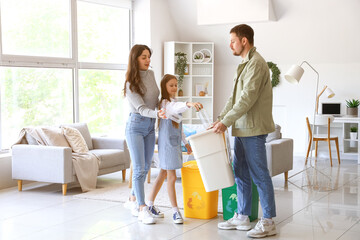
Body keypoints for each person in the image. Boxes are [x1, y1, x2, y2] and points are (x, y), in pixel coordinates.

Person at [212, 24, 277, 238]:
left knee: (259, 174)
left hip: (253, 129)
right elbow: (234, 98)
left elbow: (247, 99)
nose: (229, 44)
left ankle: (267, 221)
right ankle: (242, 215)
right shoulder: (244, 64)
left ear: (244, 41)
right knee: (240, 172)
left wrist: (227, 121)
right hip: (240, 128)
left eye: (232, 40)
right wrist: (221, 119)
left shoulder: (257, 64)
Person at [147, 74, 203, 224]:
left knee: (162, 175)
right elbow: (175, 108)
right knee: (171, 177)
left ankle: (149, 205)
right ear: (164, 87)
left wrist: (186, 143)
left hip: (174, 144)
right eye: (171, 85)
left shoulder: (173, 102)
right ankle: (175, 211)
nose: (174, 87)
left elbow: (179, 126)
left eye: (175, 85)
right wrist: (189, 104)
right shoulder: (165, 104)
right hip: (168, 146)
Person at [123, 44, 165, 225]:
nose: (148, 60)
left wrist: (167, 105)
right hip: (136, 126)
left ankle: (132, 199)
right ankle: (141, 208)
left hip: (149, 126)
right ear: (135, 59)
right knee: (139, 168)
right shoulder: (130, 83)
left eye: (149, 56)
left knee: (146, 166)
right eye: (144, 57)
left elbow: (154, 99)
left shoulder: (151, 74)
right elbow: (141, 108)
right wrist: (157, 114)